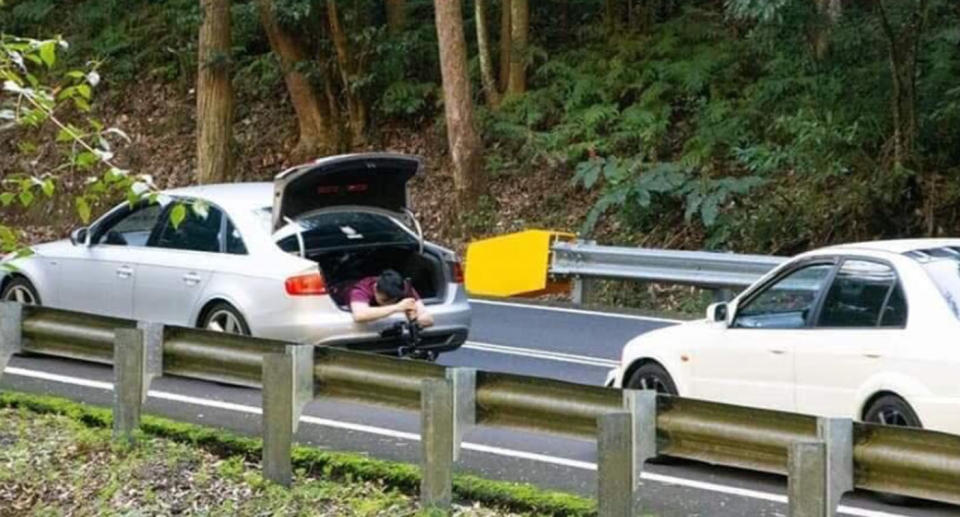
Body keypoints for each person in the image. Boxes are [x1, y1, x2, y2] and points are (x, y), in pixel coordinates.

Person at [348, 269, 434, 327]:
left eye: (394, 301)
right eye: (384, 300)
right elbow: (359, 315)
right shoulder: (362, 288)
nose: (389, 304)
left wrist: (415, 319)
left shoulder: (404, 287)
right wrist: (397, 307)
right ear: (375, 289)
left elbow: (428, 319)